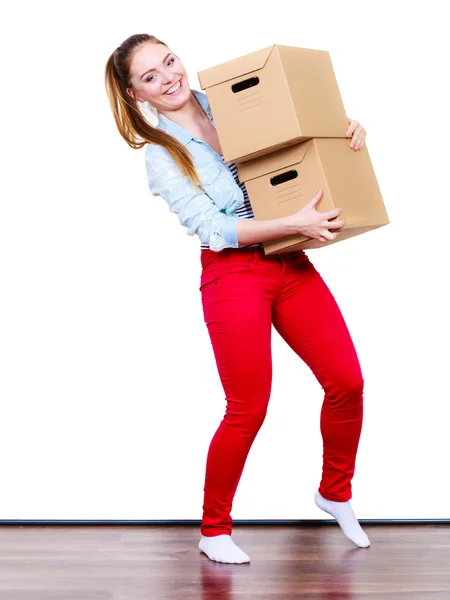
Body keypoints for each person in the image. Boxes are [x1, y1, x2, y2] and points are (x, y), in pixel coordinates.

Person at [105, 33, 370, 565]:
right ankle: (213, 529)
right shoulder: (161, 154)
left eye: (170, 62)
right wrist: (289, 222)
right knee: (247, 408)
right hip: (233, 275)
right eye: (151, 77)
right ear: (137, 97)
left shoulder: (231, 100)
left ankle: (334, 492)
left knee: (347, 381)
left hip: (290, 261)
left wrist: (342, 133)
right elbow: (211, 227)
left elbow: (296, 143)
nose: (169, 78)